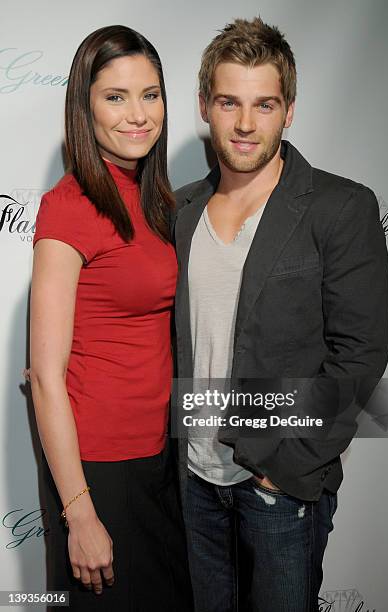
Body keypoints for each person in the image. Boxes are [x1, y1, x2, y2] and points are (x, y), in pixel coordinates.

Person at [172, 17, 388, 612]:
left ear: (288, 110)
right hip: (194, 481)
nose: (245, 124)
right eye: (229, 102)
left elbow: (360, 356)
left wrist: (287, 468)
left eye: (264, 104)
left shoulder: (340, 207)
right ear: (204, 106)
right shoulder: (182, 210)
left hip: (279, 489)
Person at [30, 25, 192, 611]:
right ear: (85, 106)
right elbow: (45, 377)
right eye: (115, 96)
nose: (138, 115)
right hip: (100, 470)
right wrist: (81, 514)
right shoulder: (68, 208)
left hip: (164, 456)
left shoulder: (160, 202)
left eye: (150, 94)